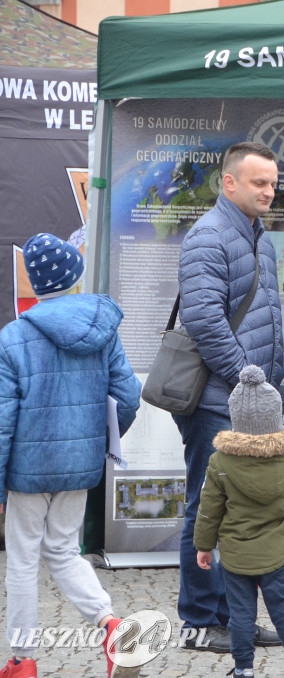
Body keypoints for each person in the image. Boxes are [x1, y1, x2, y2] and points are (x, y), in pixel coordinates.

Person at [0, 233, 142, 678]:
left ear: (35, 284)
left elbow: (2, 420)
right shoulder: (103, 327)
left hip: (27, 469)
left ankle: (22, 661)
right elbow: (128, 397)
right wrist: (96, 444)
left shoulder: (13, 337)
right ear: (75, 275)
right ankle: (111, 624)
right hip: (78, 467)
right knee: (63, 550)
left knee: (23, 559)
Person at [174, 141, 284, 652]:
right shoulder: (209, 236)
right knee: (206, 509)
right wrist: (250, 382)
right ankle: (199, 622)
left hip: (247, 400)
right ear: (229, 183)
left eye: (272, 182)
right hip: (219, 399)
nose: (269, 191)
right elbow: (204, 321)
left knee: (238, 513)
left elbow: (268, 318)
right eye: (259, 182)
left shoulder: (260, 237)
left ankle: (233, 619)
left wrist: (270, 386)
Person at [194, 365, 284, 678]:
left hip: (235, 553)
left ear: (235, 418)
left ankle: (243, 670)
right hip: (276, 553)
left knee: (239, 615)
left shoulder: (220, 461)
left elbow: (209, 507)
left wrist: (203, 545)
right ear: (275, 416)